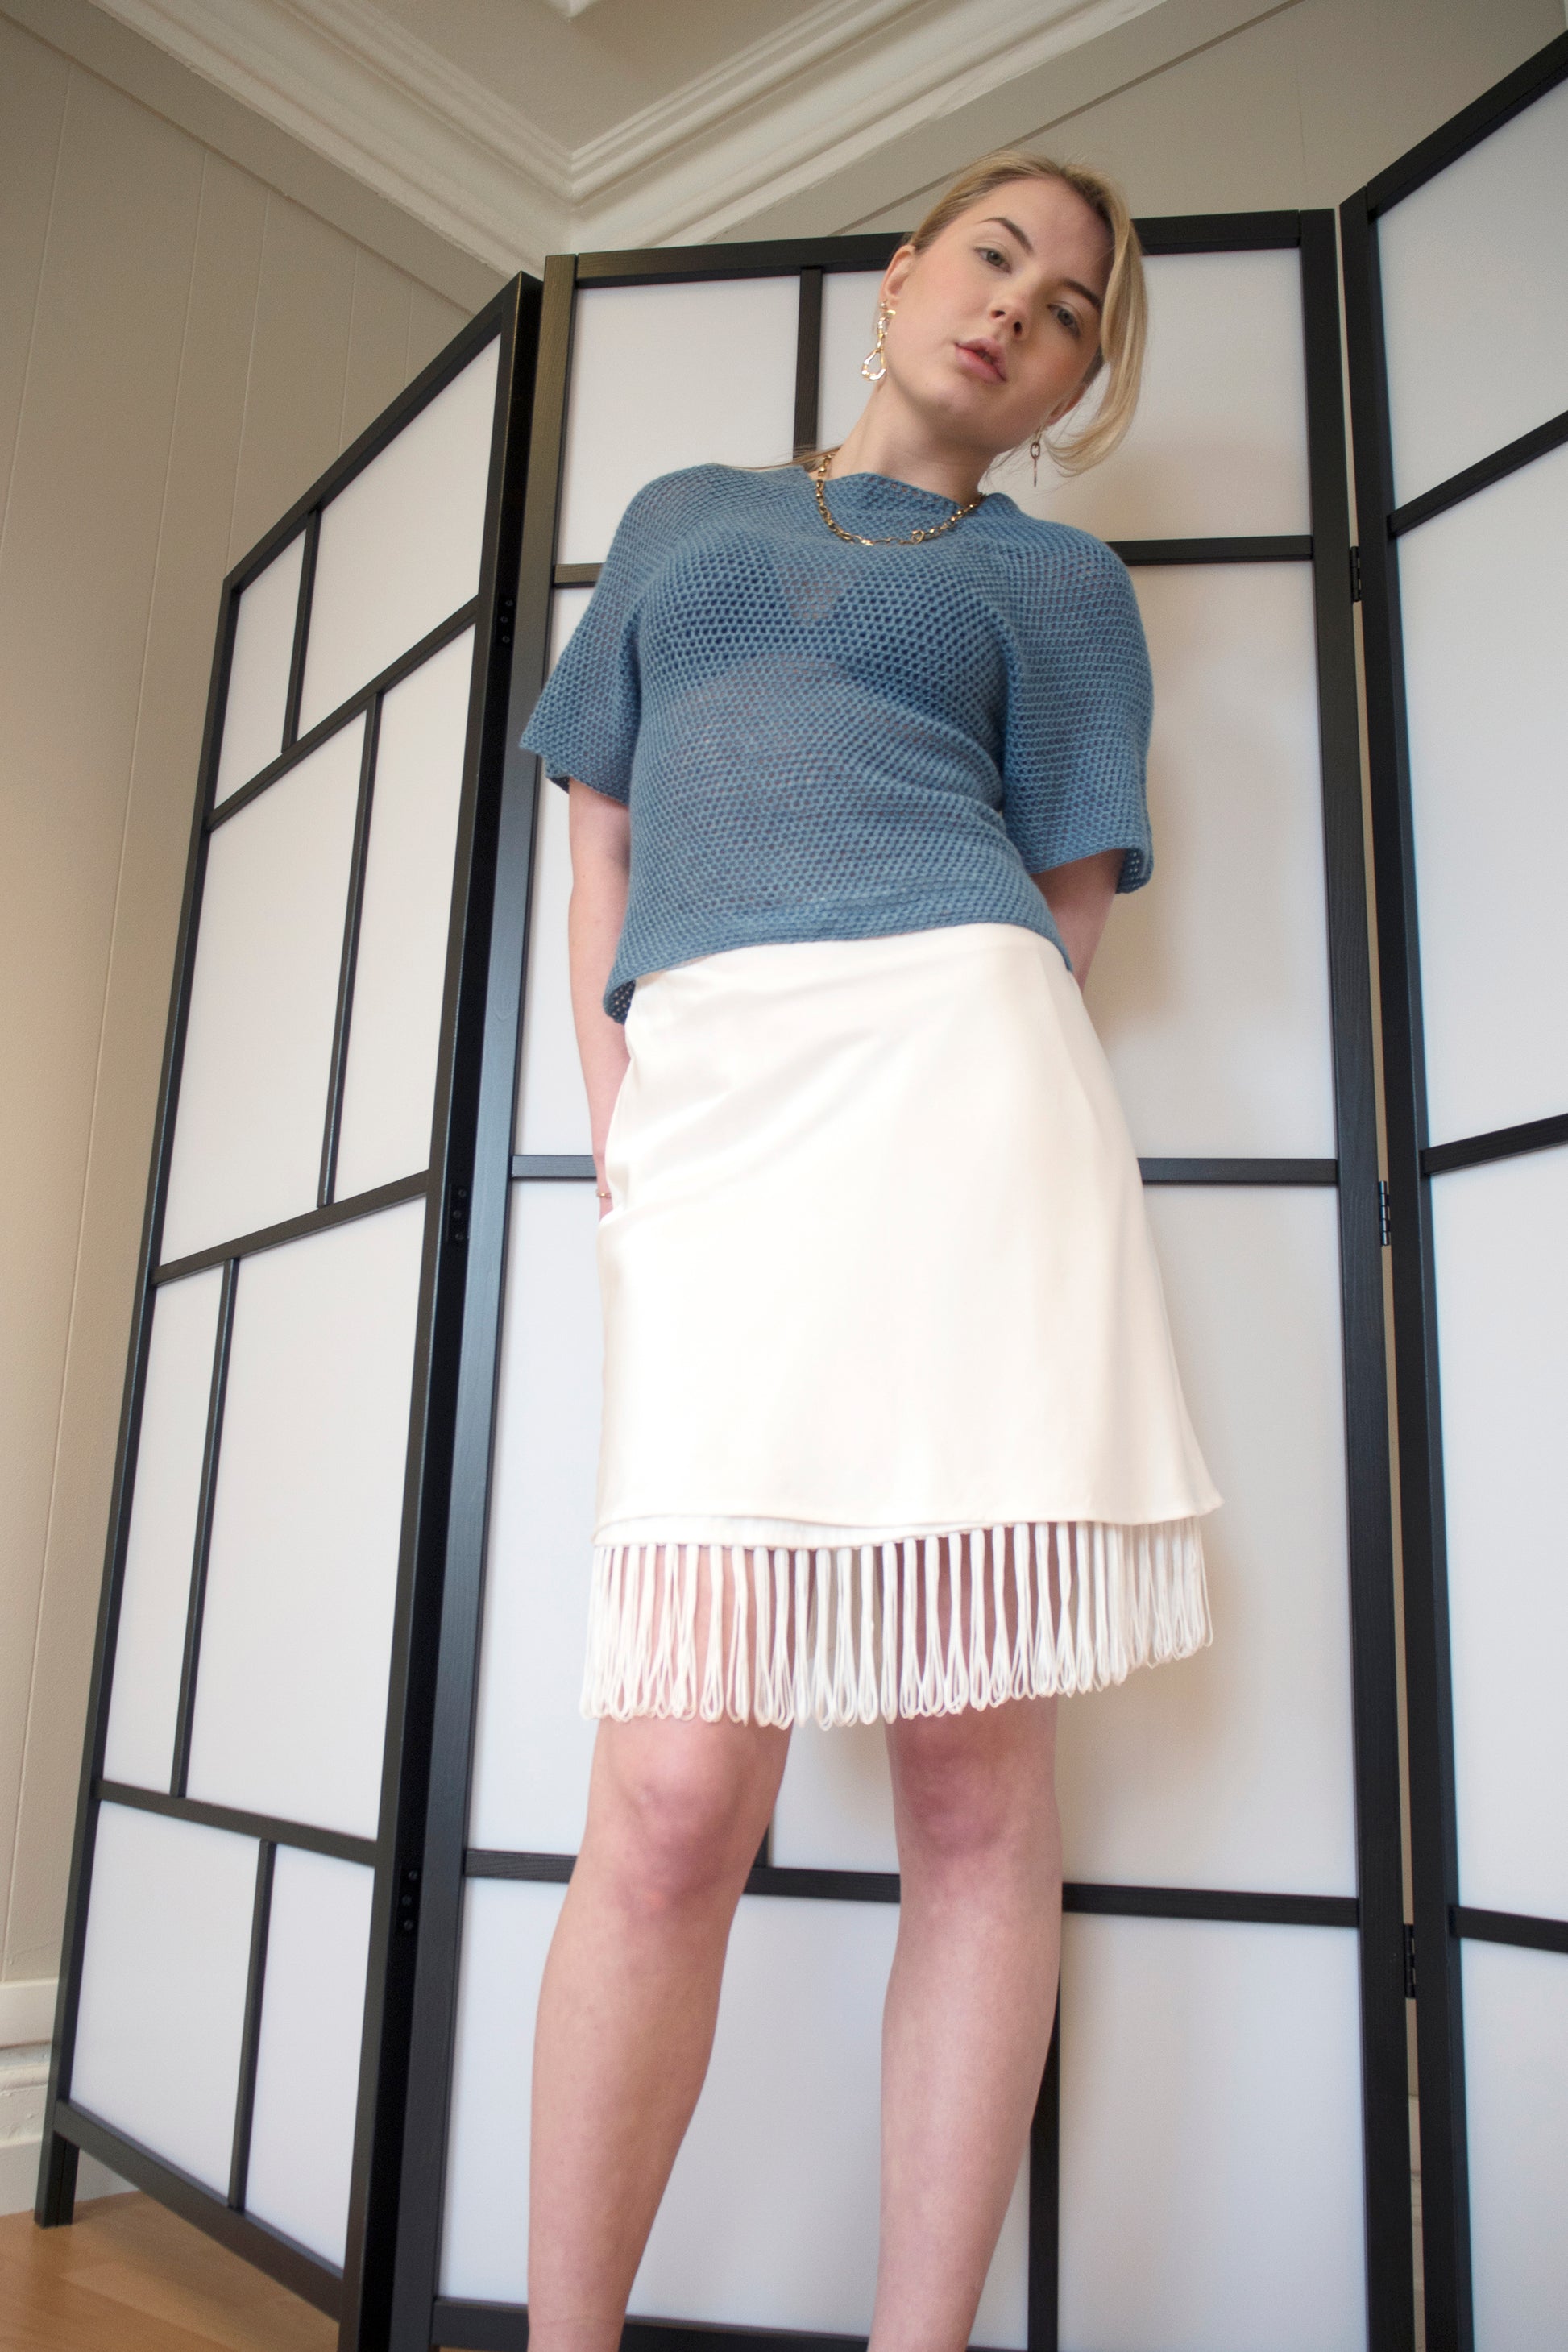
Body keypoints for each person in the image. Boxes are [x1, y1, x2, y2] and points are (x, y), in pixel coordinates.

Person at [518, 148, 1220, 2352]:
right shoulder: (682, 518)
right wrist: (626, 1124)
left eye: (1073, 309)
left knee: (969, 1778)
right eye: (995, 256)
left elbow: (1067, 902)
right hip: (719, 1108)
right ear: (905, 272)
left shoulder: (1059, 586)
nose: (1021, 309)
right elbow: (603, 830)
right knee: (668, 1792)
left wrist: (952, 1073)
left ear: (1073, 384)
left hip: (961, 1090)